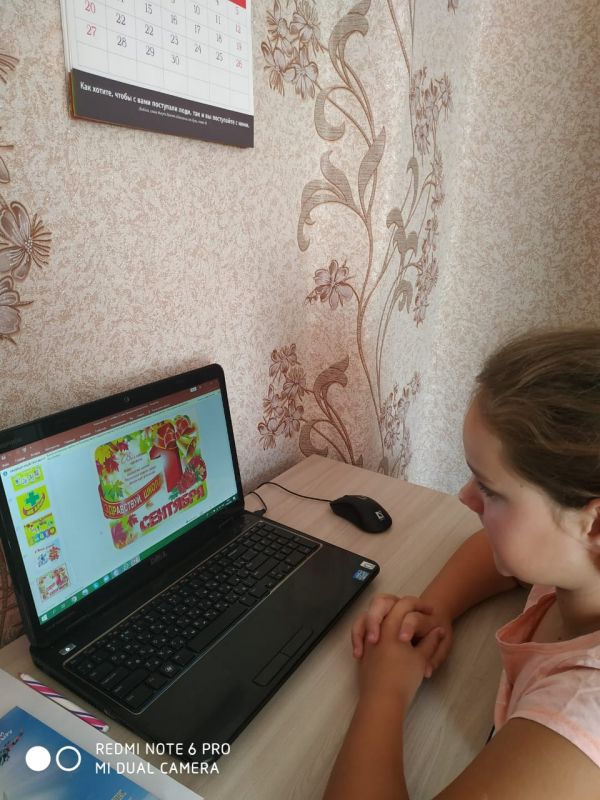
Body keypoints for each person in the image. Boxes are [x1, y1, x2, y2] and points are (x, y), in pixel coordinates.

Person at [323, 328, 600, 800]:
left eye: (489, 489)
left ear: (592, 526)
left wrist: (385, 691)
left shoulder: (576, 720)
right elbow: (495, 555)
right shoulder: (575, 568)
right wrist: (436, 609)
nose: (465, 497)